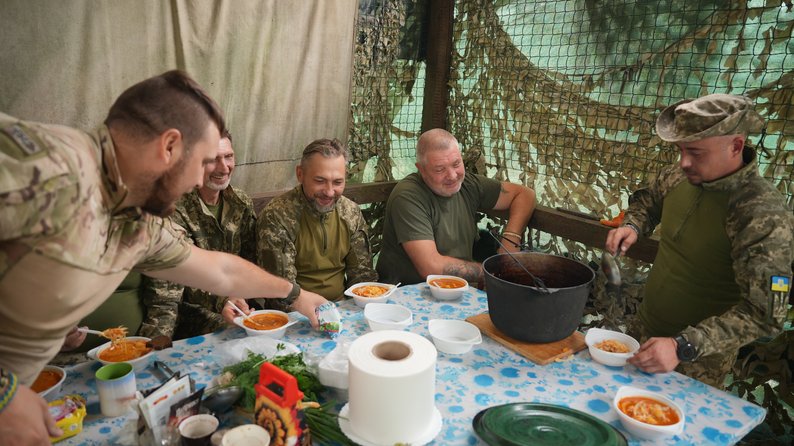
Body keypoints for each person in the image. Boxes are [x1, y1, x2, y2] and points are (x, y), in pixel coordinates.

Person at [0, 70, 328, 444]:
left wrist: (296, 294)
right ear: (169, 146)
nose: (204, 177)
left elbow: (219, 271)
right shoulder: (48, 168)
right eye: (204, 162)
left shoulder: (134, 216)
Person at [605, 94, 794, 388]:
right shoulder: (679, 175)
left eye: (696, 152)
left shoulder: (761, 213)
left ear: (735, 146)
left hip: (696, 362)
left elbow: (766, 312)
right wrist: (633, 225)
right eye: (681, 150)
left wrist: (683, 345)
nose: (684, 162)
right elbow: (648, 201)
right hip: (643, 328)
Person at [376, 128, 537, 286]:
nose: (452, 176)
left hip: (456, 290)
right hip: (408, 294)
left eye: (456, 164)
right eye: (440, 169)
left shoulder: (469, 184)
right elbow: (431, 267)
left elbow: (525, 195)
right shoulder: (408, 196)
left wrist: (510, 239)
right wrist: (494, 272)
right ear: (422, 170)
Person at [141, 130, 261, 340]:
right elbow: (178, 281)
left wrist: (244, 300)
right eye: (213, 159)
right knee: (238, 336)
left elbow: (250, 261)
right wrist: (223, 300)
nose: (224, 168)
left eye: (229, 156)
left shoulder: (240, 202)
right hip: (187, 310)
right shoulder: (172, 208)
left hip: (234, 305)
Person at [258, 138, 378, 306]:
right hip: (295, 313)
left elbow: (362, 277)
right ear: (300, 174)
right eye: (320, 181)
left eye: (337, 182)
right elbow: (282, 290)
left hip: (342, 307)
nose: (329, 192)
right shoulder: (278, 216)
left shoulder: (350, 212)